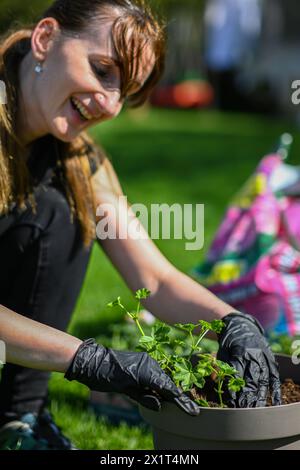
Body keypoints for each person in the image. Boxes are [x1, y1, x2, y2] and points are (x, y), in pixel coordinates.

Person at [0, 0, 280, 450]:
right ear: (45, 39)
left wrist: (233, 323)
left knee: (62, 211)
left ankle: (18, 420)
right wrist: (90, 360)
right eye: (102, 69)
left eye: (125, 91)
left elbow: (153, 277)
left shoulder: (79, 162)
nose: (109, 104)